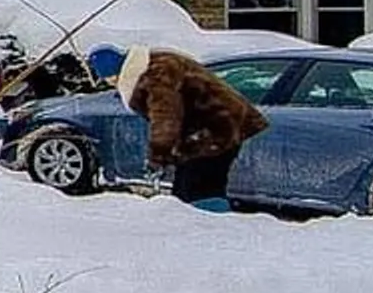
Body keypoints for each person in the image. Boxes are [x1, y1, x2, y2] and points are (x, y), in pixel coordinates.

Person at [90, 43, 267, 209]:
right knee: (202, 186)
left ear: (113, 75)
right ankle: (210, 223)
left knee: (193, 191)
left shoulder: (154, 77)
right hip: (219, 126)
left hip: (212, 130)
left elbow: (166, 118)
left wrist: (158, 157)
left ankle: (207, 229)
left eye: (108, 80)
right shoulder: (155, 62)